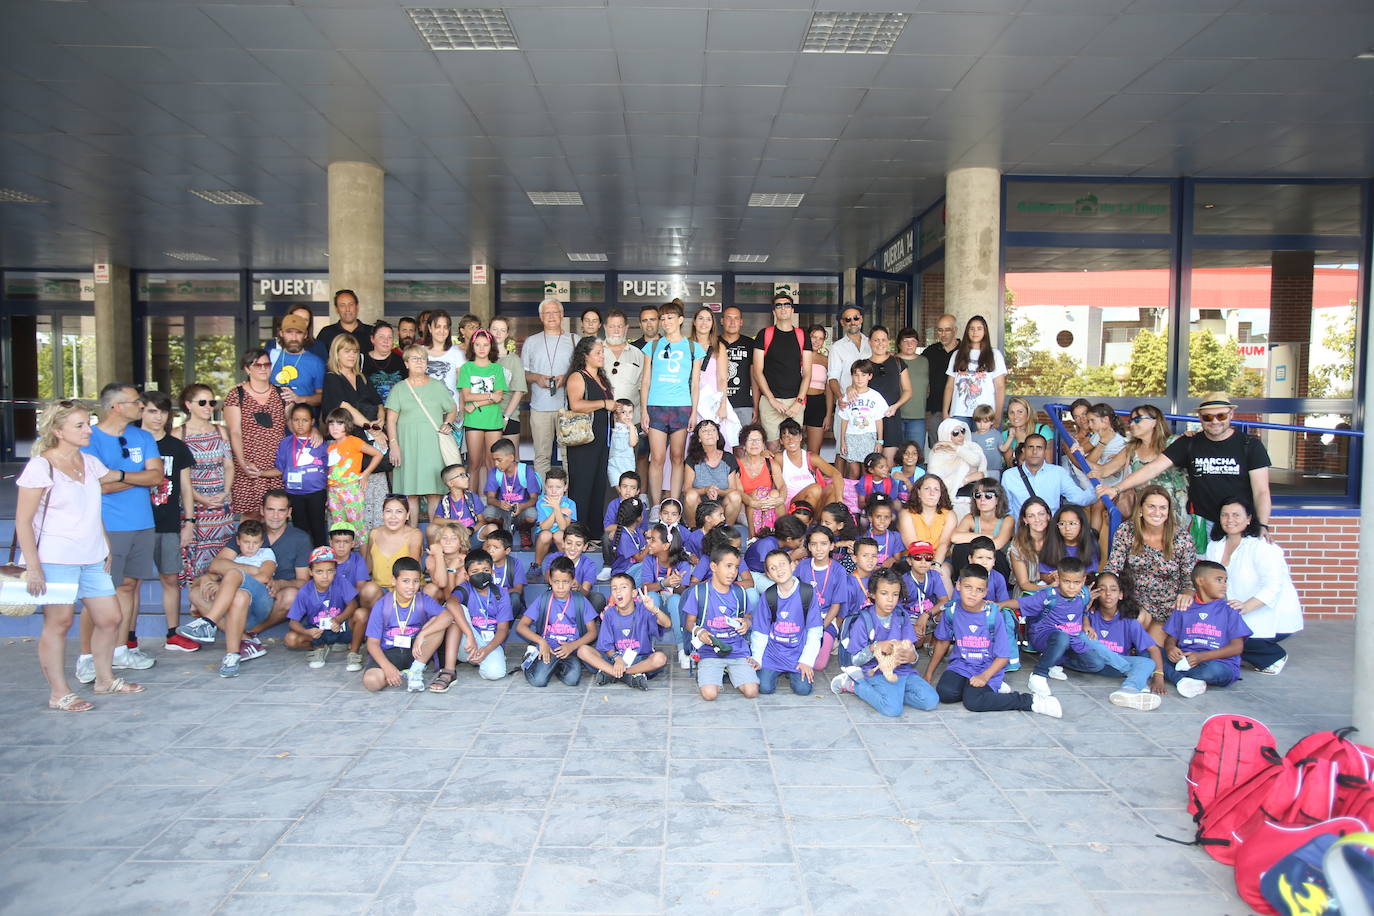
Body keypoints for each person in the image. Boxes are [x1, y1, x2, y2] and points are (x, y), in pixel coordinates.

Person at [16, 400, 144, 710]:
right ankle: (59, 693)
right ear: (58, 431)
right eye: (79, 426)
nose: (88, 429)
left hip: (92, 556)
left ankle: (104, 679)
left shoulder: (89, 462)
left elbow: (92, 507)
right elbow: (23, 520)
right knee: (59, 623)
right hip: (55, 558)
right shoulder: (40, 466)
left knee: (110, 618)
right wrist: (33, 566)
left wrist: (105, 546)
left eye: (88, 423)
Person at [1099, 394, 1273, 553]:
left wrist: (1263, 524)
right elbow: (1152, 468)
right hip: (1203, 524)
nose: (1214, 421)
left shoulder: (1250, 445)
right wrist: (1116, 489)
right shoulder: (1189, 443)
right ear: (1200, 418)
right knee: (1204, 576)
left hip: (1239, 522)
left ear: (1231, 415)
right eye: (1207, 417)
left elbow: (1261, 490)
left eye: (1221, 415)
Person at [78, 382, 164, 679]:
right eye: (136, 402)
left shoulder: (142, 436)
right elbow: (96, 484)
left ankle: (119, 650)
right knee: (98, 593)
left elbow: (156, 477)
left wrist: (121, 475)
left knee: (128, 586)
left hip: (142, 522)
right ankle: (87, 656)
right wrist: (138, 478)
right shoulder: (90, 439)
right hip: (106, 527)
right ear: (116, 407)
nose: (141, 406)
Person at [180, 490, 313, 662]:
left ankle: (244, 634)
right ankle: (245, 640)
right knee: (196, 593)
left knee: (292, 595)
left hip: (270, 598)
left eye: (281, 510)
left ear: (289, 512)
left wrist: (280, 583)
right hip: (239, 592)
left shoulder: (299, 538)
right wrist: (249, 571)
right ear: (262, 510)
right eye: (271, 509)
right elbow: (217, 564)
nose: (275, 516)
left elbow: (304, 581)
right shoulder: (251, 531)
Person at [925, 565, 1060, 717]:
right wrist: (929, 674)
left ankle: (1031, 701)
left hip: (987, 667)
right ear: (958, 585)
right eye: (968, 587)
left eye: (979, 590)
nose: (973, 594)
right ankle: (987, 691)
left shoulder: (993, 615)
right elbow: (942, 642)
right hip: (960, 666)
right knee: (945, 694)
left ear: (986, 592)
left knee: (973, 702)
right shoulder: (951, 611)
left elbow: (1003, 656)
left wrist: (985, 676)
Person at [1203, 496, 1302, 675]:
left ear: (1249, 518)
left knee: (1233, 639)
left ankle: (1273, 657)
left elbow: (1274, 586)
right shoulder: (1215, 545)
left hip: (1268, 610)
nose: (1229, 520)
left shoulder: (1261, 546)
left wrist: (1246, 606)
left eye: (1236, 515)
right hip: (1236, 610)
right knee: (1205, 633)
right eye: (1224, 515)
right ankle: (1241, 653)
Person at [830, 569, 940, 717]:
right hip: (875, 672)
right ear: (872, 594)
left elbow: (912, 651)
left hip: (902, 671)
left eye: (895, 594)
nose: (890, 599)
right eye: (884, 593)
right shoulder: (864, 621)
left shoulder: (902, 616)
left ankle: (893, 695)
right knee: (892, 709)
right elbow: (855, 660)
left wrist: (911, 656)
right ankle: (854, 684)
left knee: (931, 701)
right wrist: (875, 647)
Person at [139, 390, 196, 653]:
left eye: (162, 412)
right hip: (135, 523)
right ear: (141, 411)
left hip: (168, 522)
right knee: (130, 583)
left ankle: (173, 634)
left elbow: (185, 486)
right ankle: (127, 637)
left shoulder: (176, 447)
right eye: (152, 411)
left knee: (170, 579)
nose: (158, 417)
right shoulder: (130, 444)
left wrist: (190, 521)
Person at [1102, 485, 1197, 639]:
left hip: (1168, 605)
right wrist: (1104, 589)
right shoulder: (1126, 530)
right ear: (1140, 509)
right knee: (1132, 628)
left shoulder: (1182, 538)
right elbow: (1113, 567)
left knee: (1152, 651)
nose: (1157, 513)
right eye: (1151, 506)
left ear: (1168, 511)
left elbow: (1189, 579)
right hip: (1136, 600)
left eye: (1162, 508)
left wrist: (1187, 594)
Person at [638, 301, 705, 503]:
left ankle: (674, 504)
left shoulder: (694, 347)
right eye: (663, 318)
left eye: (670, 317)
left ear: (680, 320)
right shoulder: (653, 345)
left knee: (677, 457)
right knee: (656, 458)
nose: (666, 322)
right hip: (656, 407)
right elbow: (646, 380)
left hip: (681, 407)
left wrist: (693, 412)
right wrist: (643, 411)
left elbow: (695, 384)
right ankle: (657, 505)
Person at [322, 332, 388, 532]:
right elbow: (345, 406)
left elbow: (378, 402)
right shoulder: (333, 378)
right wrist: (372, 428)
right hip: (347, 446)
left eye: (355, 351)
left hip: (367, 442)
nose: (351, 355)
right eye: (346, 351)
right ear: (337, 353)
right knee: (349, 503)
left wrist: (381, 419)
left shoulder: (362, 377)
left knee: (374, 496)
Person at [386, 344, 457, 527]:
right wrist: (393, 446)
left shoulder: (437, 387)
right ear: (406, 363)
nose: (420, 362)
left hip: (432, 446)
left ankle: (434, 534)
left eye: (423, 358)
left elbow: (452, 408)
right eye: (415, 359)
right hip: (406, 446)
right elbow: (390, 420)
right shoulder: (399, 389)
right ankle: (412, 534)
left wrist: (448, 423)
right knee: (410, 494)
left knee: (434, 492)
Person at [175, 383, 235, 590]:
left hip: (221, 507)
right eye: (202, 402)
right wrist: (200, 498)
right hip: (195, 508)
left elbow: (228, 465)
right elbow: (179, 476)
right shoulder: (178, 434)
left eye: (212, 402)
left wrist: (225, 492)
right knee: (196, 558)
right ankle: (196, 608)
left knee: (221, 558)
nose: (209, 406)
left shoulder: (221, 431)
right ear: (188, 405)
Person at [682, 543, 759, 701]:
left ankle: (727, 671)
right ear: (713, 566)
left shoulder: (740, 592)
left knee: (752, 692)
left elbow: (749, 617)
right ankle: (715, 672)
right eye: (728, 566)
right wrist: (699, 631)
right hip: (710, 650)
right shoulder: (699, 592)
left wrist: (746, 622)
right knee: (709, 694)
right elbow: (688, 623)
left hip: (736, 649)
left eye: (736, 567)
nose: (733, 572)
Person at [1163, 561, 1251, 698]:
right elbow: (1171, 639)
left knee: (1213, 671)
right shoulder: (1184, 607)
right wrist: (1170, 649)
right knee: (1148, 651)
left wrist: (1201, 657)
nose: (1224, 585)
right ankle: (1185, 680)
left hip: (1218, 662)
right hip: (1185, 659)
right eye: (1219, 580)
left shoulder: (1229, 610)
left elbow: (1237, 648)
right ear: (1200, 581)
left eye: (1225, 580)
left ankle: (1176, 677)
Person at [1081, 571, 1167, 711]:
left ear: (1121, 595)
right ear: (1096, 593)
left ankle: (1129, 689)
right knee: (1083, 637)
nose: (1108, 593)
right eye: (1103, 589)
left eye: (1113, 590)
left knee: (1148, 662)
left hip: (1115, 666)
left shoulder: (1129, 622)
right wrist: (1085, 606)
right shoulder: (1089, 615)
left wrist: (1158, 676)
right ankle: (1134, 675)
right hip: (1090, 661)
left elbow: (1154, 649)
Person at [361, 557, 446, 693]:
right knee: (372, 682)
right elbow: (372, 643)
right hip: (389, 652)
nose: (411, 587)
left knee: (438, 623)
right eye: (405, 581)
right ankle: (398, 673)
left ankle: (416, 670)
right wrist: (387, 667)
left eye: (416, 581)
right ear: (394, 581)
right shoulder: (382, 605)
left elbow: (447, 616)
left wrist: (422, 634)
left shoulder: (422, 600)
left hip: (416, 652)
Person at [1091, 404, 1187, 522]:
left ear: (1155, 422)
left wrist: (1192, 435)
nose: (1132, 424)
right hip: (1147, 512)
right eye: (1131, 420)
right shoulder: (1131, 449)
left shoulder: (1174, 442)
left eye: (1137, 420)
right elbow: (1104, 471)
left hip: (1176, 510)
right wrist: (1076, 453)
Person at [516, 556, 600, 688]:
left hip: (569, 650)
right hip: (547, 648)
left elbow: (592, 632)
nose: (560, 587)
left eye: (565, 582)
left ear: (573, 581)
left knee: (572, 680)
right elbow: (521, 626)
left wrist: (573, 646)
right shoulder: (543, 599)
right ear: (549, 580)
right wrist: (541, 641)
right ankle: (530, 660)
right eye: (556, 582)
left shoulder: (580, 601)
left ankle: (554, 667)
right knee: (539, 681)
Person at [223, 348, 288, 518]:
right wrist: (243, 463)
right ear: (246, 368)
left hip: (276, 465)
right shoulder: (236, 395)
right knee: (251, 516)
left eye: (266, 364)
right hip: (249, 464)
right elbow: (235, 432)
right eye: (257, 365)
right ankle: (249, 546)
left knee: (276, 515)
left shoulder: (282, 393)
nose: (263, 368)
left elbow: (293, 426)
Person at [579, 573, 671, 689]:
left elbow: (667, 623)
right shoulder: (609, 614)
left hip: (639, 659)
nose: (618, 592)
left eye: (623, 587)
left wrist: (654, 609)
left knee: (660, 658)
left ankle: (617, 673)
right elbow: (606, 645)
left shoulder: (644, 610)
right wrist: (617, 659)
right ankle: (626, 675)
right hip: (614, 659)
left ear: (634, 593)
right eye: (614, 588)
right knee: (582, 650)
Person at [751, 550, 824, 695]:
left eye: (782, 564)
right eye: (773, 568)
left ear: (792, 565)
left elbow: (815, 631)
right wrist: (757, 658)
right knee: (764, 688)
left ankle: (792, 672)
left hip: (797, 652)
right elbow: (760, 631)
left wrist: (807, 661)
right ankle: (774, 670)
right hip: (773, 653)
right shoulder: (769, 596)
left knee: (803, 689)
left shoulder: (807, 593)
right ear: (769, 575)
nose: (779, 570)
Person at [284, 545, 367, 669]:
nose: (325, 576)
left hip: (340, 626)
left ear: (335, 570)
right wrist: (307, 632)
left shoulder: (340, 582)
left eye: (330, 571)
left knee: (362, 613)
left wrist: (339, 619)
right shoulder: (305, 591)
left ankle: (353, 653)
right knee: (290, 639)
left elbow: (353, 604)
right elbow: (293, 622)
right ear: (310, 572)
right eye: (319, 571)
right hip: (318, 631)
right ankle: (320, 648)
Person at [564, 336, 614, 541]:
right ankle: (578, 533)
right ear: (585, 355)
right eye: (598, 352)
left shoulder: (600, 377)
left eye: (602, 351)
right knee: (582, 486)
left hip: (600, 438)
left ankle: (593, 533)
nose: (602, 355)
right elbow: (575, 405)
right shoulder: (577, 376)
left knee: (598, 485)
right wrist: (604, 403)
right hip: (583, 441)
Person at [522, 297, 577, 479]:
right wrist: (537, 378)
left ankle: (569, 499)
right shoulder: (531, 341)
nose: (551, 316)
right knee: (541, 457)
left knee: (569, 457)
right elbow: (523, 374)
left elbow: (583, 373)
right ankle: (543, 500)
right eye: (547, 312)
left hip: (568, 409)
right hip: (540, 407)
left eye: (555, 312)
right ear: (541, 316)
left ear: (562, 315)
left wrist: (566, 377)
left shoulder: (574, 340)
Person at [752, 291, 814, 448]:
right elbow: (757, 371)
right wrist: (772, 400)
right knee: (772, 448)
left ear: (792, 310)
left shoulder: (802, 336)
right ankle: (775, 474)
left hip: (795, 401)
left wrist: (799, 402)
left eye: (787, 305)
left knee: (793, 447)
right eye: (778, 305)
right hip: (770, 401)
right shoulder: (764, 334)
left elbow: (807, 373)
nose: (783, 308)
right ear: (774, 311)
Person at [456, 328, 508, 491]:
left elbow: (499, 397)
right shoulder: (467, 368)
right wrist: (490, 396)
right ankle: (472, 503)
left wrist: (477, 404)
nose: (481, 348)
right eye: (478, 344)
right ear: (473, 347)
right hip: (474, 422)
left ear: (490, 346)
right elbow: (467, 396)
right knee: (474, 463)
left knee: (493, 463)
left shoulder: (497, 369)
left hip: (493, 421)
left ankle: (493, 502)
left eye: (485, 345)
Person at [357, 493, 424, 617]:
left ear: (407, 515)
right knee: (368, 589)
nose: (393, 517)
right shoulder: (374, 533)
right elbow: (368, 567)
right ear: (382, 514)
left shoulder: (415, 534)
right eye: (388, 511)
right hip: (379, 590)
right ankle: (372, 626)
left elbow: (411, 572)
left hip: (406, 589)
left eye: (399, 512)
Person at [1000, 433, 1096, 518]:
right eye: (1030, 447)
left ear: (1045, 451)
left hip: (1050, 532)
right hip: (1023, 533)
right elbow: (1007, 510)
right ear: (1023, 450)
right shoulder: (1009, 475)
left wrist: (1096, 486)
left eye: (1039, 448)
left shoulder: (1058, 473)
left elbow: (1080, 498)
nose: (1034, 452)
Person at [324, 409, 383, 541]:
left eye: (339, 424)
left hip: (351, 490)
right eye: (331, 424)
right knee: (339, 529)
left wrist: (366, 473)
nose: (335, 428)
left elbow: (378, 454)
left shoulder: (354, 441)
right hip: (334, 492)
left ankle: (364, 561)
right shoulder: (330, 447)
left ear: (347, 425)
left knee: (358, 529)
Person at [275, 403, 328, 547]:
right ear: (290, 421)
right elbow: (280, 468)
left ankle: (321, 561)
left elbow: (330, 469)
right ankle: (302, 562)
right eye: (296, 420)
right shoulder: (285, 443)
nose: (300, 424)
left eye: (305, 420)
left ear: (312, 421)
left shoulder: (321, 442)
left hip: (317, 492)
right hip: (294, 493)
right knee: (300, 529)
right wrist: (260, 473)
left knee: (318, 528)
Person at [942, 314, 1006, 430]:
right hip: (959, 413)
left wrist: (998, 414)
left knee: (983, 447)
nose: (975, 332)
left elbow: (1000, 387)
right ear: (967, 331)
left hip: (985, 414)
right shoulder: (957, 354)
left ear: (985, 331)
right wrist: (945, 411)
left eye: (979, 328)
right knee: (960, 447)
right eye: (971, 328)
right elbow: (949, 386)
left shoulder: (995, 354)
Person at [688, 307, 739, 449]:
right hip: (689, 401)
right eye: (701, 318)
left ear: (713, 324)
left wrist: (723, 406)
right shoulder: (686, 345)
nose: (704, 323)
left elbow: (723, 379)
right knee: (689, 446)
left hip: (712, 403)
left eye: (708, 319)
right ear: (694, 322)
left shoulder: (719, 347)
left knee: (716, 445)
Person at [862, 326, 910, 465]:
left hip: (891, 417)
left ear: (889, 342)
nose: (880, 343)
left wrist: (896, 406)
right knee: (870, 464)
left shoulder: (898, 363)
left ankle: (888, 488)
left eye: (883, 340)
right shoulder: (864, 365)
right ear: (869, 342)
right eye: (876, 340)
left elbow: (908, 391)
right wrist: (850, 389)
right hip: (868, 420)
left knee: (888, 463)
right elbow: (856, 387)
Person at [949, 478, 1013, 581]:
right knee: (960, 548)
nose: (982, 500)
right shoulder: (970, 518)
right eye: (978, 495)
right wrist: (987, 537)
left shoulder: (1007, 519)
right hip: (975, 566)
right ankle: (964, 582)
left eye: (988, 496)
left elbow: (997, 544)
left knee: (989, 553)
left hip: (999, 567)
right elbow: (954, 537)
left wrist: (973, 539)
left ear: (997, 499)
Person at [897, 474, 957, 583]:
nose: (932, 493)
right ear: (918, 493)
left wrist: (935, 564)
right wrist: (925, 564)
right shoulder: (906, 513)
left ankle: (947, 601)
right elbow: (912, 544)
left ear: (940, 494)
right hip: (913, 559)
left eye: (936, 489)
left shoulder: (949, 515)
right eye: (927, 488)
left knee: (942, 573)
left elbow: (944, 543)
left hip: (941, 559)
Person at [682, 419, 742, 526]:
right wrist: (706, 490)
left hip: (722, 503)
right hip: (700, 503)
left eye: (713, 430)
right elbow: (686, 489)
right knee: (690, 495)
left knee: (735, 496)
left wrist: (718, 492)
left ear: (718, 436)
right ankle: (694, 531)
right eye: (704, 431)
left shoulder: (728, 458)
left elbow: (733, 488)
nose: (709, 433)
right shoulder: (692, 459)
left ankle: (725, 531)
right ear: (699, 439)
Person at [925, 418, 987, 519]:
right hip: (951, 502)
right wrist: (967, 479)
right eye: (955, 433)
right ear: (946, 434)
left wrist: (955, 448)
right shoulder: (937, 453)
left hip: (977, 500)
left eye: (962, 431)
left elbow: (976, 462)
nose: (961, 435)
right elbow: (938, 483)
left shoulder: (973, 446)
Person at [836, 359, 889, 478]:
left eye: (863, 375)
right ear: (852, 376)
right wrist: (842, 441)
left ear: (870, 376)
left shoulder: (875, 396)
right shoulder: (847, 397)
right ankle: (852, 496)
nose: (860, 379)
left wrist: (880, 441)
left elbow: (878, 420)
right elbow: (844, 420)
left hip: (868, 436)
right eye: (856, 375)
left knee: (868, 471)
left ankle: (866, 496)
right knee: (854, 471)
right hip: (851, 436)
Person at [776, 418, 843, 512]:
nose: (791, 440)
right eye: (786, 437)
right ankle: (808, 524)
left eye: (794, 435)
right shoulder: (779, 458)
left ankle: (824, 523)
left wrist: (839, 500)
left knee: (831, 488)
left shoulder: (811, 457)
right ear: (781, 441)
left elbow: (836, 474)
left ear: (800, 437)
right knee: (815, 488)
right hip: (793, 506)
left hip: (813, 504)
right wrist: (764, 453)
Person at [826, 304, 870, 447]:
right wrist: (840, 397)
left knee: (867, 450)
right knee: (842, 450)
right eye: (848, 319)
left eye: (856, 318)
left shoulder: (871, 343)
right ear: (842, 322)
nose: (853, 322)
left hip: (869, 406)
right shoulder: (837, 347)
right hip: (846, 405)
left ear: (861, 319)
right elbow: (832, 378)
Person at [481, 437, 541, 539]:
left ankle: (524, 529)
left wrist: (521, 506)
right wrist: (499, 504)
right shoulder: (494, 472)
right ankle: (501, 528)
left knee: (532, 515)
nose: (496, 464)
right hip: (502, 509)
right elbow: (490, 499)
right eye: (494, 460)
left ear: (511, 457)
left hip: (522, 509)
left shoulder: (526, 471)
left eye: (499, 460)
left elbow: (534, 499)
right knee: (488, 513)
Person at [270, 313, 325, 410]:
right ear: (281, 333)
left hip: (303, 422)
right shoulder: (271, 357)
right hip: (273, 423)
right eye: (289, 332)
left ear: (306, 334)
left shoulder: (316, 362)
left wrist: (300, 399)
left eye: (298, 332)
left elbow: (322, 397)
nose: (294, 338)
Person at [737, 424, 783, 537]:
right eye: (750, 440)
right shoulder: (737, 464)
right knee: (757, 493)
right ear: (744, 445)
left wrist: (780, 499)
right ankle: (753, 537)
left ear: (763, 445)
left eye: (758, 440)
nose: (754, 443)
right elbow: (739, 492)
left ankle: (781, 535)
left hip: (767, 505)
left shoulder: (771, 464)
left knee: (775, 493)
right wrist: (753, 502)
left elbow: (782, 486)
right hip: (746, 508)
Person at [922, 314, 960, 447]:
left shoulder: (965, 351)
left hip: (960, 410)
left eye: (947, 330)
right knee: (937, 449)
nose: (943, 334)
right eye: (940, 330)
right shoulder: (930, 352)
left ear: (955, 330)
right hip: (935, 410)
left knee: (960, 449)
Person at [489, 316, 528, 444]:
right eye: (494, 329)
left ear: (507, 334)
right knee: (487, 460)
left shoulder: (514, 360)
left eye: (502, 330)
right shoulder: (481, 358)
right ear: (488, 331)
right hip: (484, 415)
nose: (498, 333)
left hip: (508, 415)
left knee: (511, 459)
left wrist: (506, 417)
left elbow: (519, 391)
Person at [719, 305, 757, 430]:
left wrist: (755, 406)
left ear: (741, 322)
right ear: (722, 321)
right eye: (728, 318)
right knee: (719, 443)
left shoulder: (750, 344)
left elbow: (754, 377)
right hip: (718, 403)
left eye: (736, 318)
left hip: (743, 403)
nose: (732, 322)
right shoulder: (713, 343)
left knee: (742, 445)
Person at [533, 467, 577, 570]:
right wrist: (558, 508)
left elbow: (563, 527)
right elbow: (544, 527)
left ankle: (566, 565)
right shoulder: (541, 502)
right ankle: (536, 565)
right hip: (543, 539)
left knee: (559, 535)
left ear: (565, 487)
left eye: (558, 487)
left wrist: (556, 507)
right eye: (550, 487)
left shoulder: (570, 503)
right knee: (546, 535)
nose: (553, 491)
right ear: (545, 486)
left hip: (560, 537)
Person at [311, 289, 374, 361]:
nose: (347, 309)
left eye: (351, 304)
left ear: (357, 307)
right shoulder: (326, 333)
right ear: (337, 309)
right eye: (342, 305)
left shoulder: (371, 332)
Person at [1008, 497, 1054, 594]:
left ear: (1048, 516)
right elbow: (1024, 584)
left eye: (1041, 514)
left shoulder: (1058, 539)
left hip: (1057, 592)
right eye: (1031, 516)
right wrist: (1049, 588)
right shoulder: (1018, 544)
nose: (1037, 519)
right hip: (1027, 594)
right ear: (1025, 520)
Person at [802, 324, 831, 455]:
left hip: (818, 403)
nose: (816, 341)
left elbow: (829, 389)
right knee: (792, 446)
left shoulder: (826, 360)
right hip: (799, 401)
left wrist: (828, 414)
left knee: (814, 451)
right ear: (807, 337)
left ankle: (812, 475)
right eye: (814, 337)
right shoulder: (798, 357)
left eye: (820, 338)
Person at [999, 396, 1050, 469]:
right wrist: (1017, 442)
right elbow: (1012, 466)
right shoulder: (1006, 434)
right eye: (1011, 412)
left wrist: (1023, 441)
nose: (1015, 416)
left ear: (1028, 413)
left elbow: (1048, 462)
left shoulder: (1042, 430)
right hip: (1018, 477)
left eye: (1020, 412)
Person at [361, 320, 405, 404]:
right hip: (370, 412)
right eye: (381, 337)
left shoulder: (401, 360)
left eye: (390, 337)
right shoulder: (361, 360)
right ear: (372, 339)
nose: (386, 340)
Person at [607, 399, 639, 489]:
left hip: (628, 464)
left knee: (627, 489)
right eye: (623, 412)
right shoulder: (613, 426)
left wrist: (631, 427)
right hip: (613, 463)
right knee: (620, 489)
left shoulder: (632, 428)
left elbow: (633, 443)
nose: (627, 415)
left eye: (630, 412)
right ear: (616, 414)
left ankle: (626, 503)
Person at [969, 405, 1003, 478]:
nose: (982, 425)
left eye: (985, 422)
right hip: (978, 470)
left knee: (993, 488)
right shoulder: (971, 436)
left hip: (994, 468)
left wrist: (1010, 437)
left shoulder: (996, 433)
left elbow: (1002, 448)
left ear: (992, 422)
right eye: (979, 422)